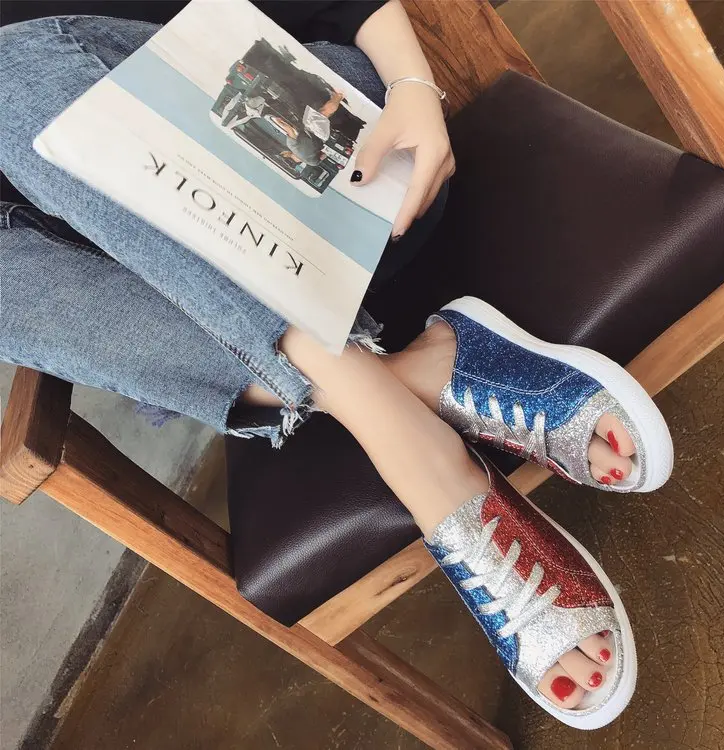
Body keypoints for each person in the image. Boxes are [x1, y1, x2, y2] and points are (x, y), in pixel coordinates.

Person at [0, 0, 673, 729]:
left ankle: (427, 461)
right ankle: (400, 389)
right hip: (192, 305)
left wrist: (413, 85)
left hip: (337, 167)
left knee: (6, 79)